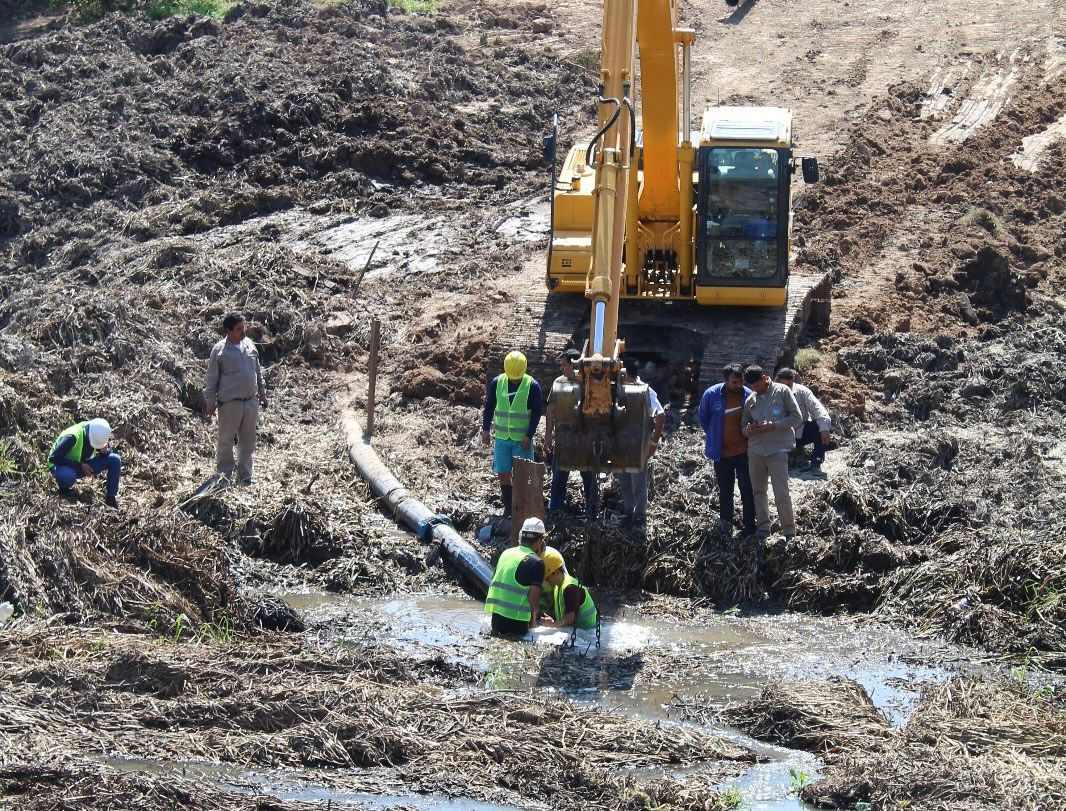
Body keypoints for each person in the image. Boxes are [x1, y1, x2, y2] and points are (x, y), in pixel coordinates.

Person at [204, 313, 268, 485]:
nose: (243, 331)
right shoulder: (219, 351)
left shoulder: (249, 345)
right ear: (228, 330)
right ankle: (224, 477)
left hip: (250, 401)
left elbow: (257, 372)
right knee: (226, 441)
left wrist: (262, 394)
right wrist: (210, 401)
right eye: (239, 329)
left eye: (243, 327)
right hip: (230, 404)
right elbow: (211, 379)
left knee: (248, 441)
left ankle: (245, 477)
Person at [741, 365, 802, 540]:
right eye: (752, 387)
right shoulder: (750, 400)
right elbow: (743, 427)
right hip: (756, 450)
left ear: (765, 378)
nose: (756, 390)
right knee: (758, 491)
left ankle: (789, 531)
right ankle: (763, 528)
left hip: (778, 448)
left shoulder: (782, 391)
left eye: (758, 385)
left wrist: (774, 425)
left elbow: (796, 418)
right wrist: (749, 429)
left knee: (781, 491)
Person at [481, 351, 543, 518]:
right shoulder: (497, 383)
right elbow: (489, 407)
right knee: (503, 472)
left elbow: (537, 413)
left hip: (521, 440)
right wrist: (486, 429)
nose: (514, 379)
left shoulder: (532, 386)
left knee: (521, 475)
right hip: (502, 437)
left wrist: (529, 436)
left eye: (517, 377)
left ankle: (520, 506)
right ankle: (509, 506)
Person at [697, 363, 756, 537]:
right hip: (721, 453)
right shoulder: (711, 395)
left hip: (744, 452)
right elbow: (703, 419)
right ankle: (726, 524)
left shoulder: (748, 396)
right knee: (725, 490)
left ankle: (749, 526)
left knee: (747, 489)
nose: (738, 386)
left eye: (740, 382)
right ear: (726, 380)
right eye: (734, 382)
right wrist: (716, 435)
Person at [544, 349, 597, 519]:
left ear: (574, 365)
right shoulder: (558, 383)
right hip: (564, 438)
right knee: (559, 475)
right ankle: (555, 508)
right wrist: (548, 436)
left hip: (585, 439)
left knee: (588, 476)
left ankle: (592, 509)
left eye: (564, 365)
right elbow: (551, 409)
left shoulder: (589, 383)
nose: (561, 368)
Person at [613, 357, 665, 529]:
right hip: (621, 444)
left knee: (638, 484)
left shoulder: (645, 391)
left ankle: (640, 516)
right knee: (624, 482)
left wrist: (654, 442)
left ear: (625, 372)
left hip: (638, 445)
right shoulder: (619, 389)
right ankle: (628, 513)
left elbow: (660, 415)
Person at [484, 517, 547, 637]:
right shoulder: (537, 562)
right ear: (539, 541)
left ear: (520, 537)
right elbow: (533, 597)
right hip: (517, 622)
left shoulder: (506, 553)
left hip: (496, 619)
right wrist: (535, 620)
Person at [48, 418, 121, 508]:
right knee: (67, 476)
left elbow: (102, 448)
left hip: (81, 464)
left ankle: (111, 498)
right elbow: (53, 458)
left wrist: (104, 452)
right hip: (61, 466)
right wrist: (80, 465)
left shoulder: (97, 432)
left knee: (115, 459)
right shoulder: (72, 436)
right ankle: (64, 489)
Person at [775, 368, 831, 477]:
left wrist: (824, 428)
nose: (786, 389)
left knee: (818, 427)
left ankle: (816, 463)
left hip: (799, 433)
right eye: (783, 386)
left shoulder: (802, 392)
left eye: (789, 385)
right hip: (778, 435)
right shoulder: (770, 394)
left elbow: (819, 410)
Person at [538, 548, 597, 631]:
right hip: (579, 632)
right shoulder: (557, 587)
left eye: (548, 578)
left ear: (557, 573)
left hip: (589, 633)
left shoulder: (571, 588)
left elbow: (570, 619)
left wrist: (552, 624)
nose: (547, 582)